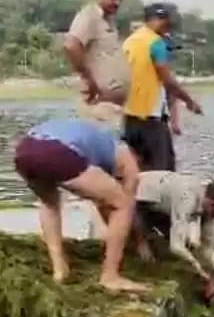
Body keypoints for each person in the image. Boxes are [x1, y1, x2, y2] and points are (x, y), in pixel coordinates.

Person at [14, 118, 147, 294]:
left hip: (25, 150)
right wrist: (140, 242)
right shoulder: (126, 156)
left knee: (49, 204)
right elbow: (127, 205)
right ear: (137, 156)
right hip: (56, 151)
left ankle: (60, 270)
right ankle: (110, 277)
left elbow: (102, 202)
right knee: (122, 205)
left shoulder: (99, 142)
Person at [121, 3, 202, 172]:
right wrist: (189, 101)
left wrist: (174, 120)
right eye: (167, 21)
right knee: (163, 172)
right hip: (151, 119)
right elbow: (168, 81)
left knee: (137, 169)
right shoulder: (155, 42)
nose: (168, 26)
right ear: (157, 19)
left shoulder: (129, 42)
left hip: (130, 119)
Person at [133, 171, 214, 297]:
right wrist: (197, 267)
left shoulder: (208, 201)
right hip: (138, 193)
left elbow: (208, 245)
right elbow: (176, 246)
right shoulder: (187, 199)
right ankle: (140, 241)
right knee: (151, 249)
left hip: (162, 201)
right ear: (213, 203)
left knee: (190, 240)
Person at [65, 0, 129, 128]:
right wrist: (88, 78)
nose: (117, 2)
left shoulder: (109, 21)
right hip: (98, 107)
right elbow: (71, 45)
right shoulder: (89, 15)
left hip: (113, 108)